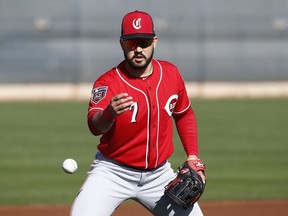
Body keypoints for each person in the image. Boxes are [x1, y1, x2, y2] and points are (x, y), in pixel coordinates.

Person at [70, 10, 206, 216]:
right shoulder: (108, 83)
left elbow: (184, 114)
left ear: (155, 42)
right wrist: (108, 113)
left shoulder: (171, 74)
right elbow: (94, 126)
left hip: (159, 175)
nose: (138, 49)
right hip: (112, 173)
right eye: (131, 43)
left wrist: (192, 155)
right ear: (121, 43)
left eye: (143, 41)